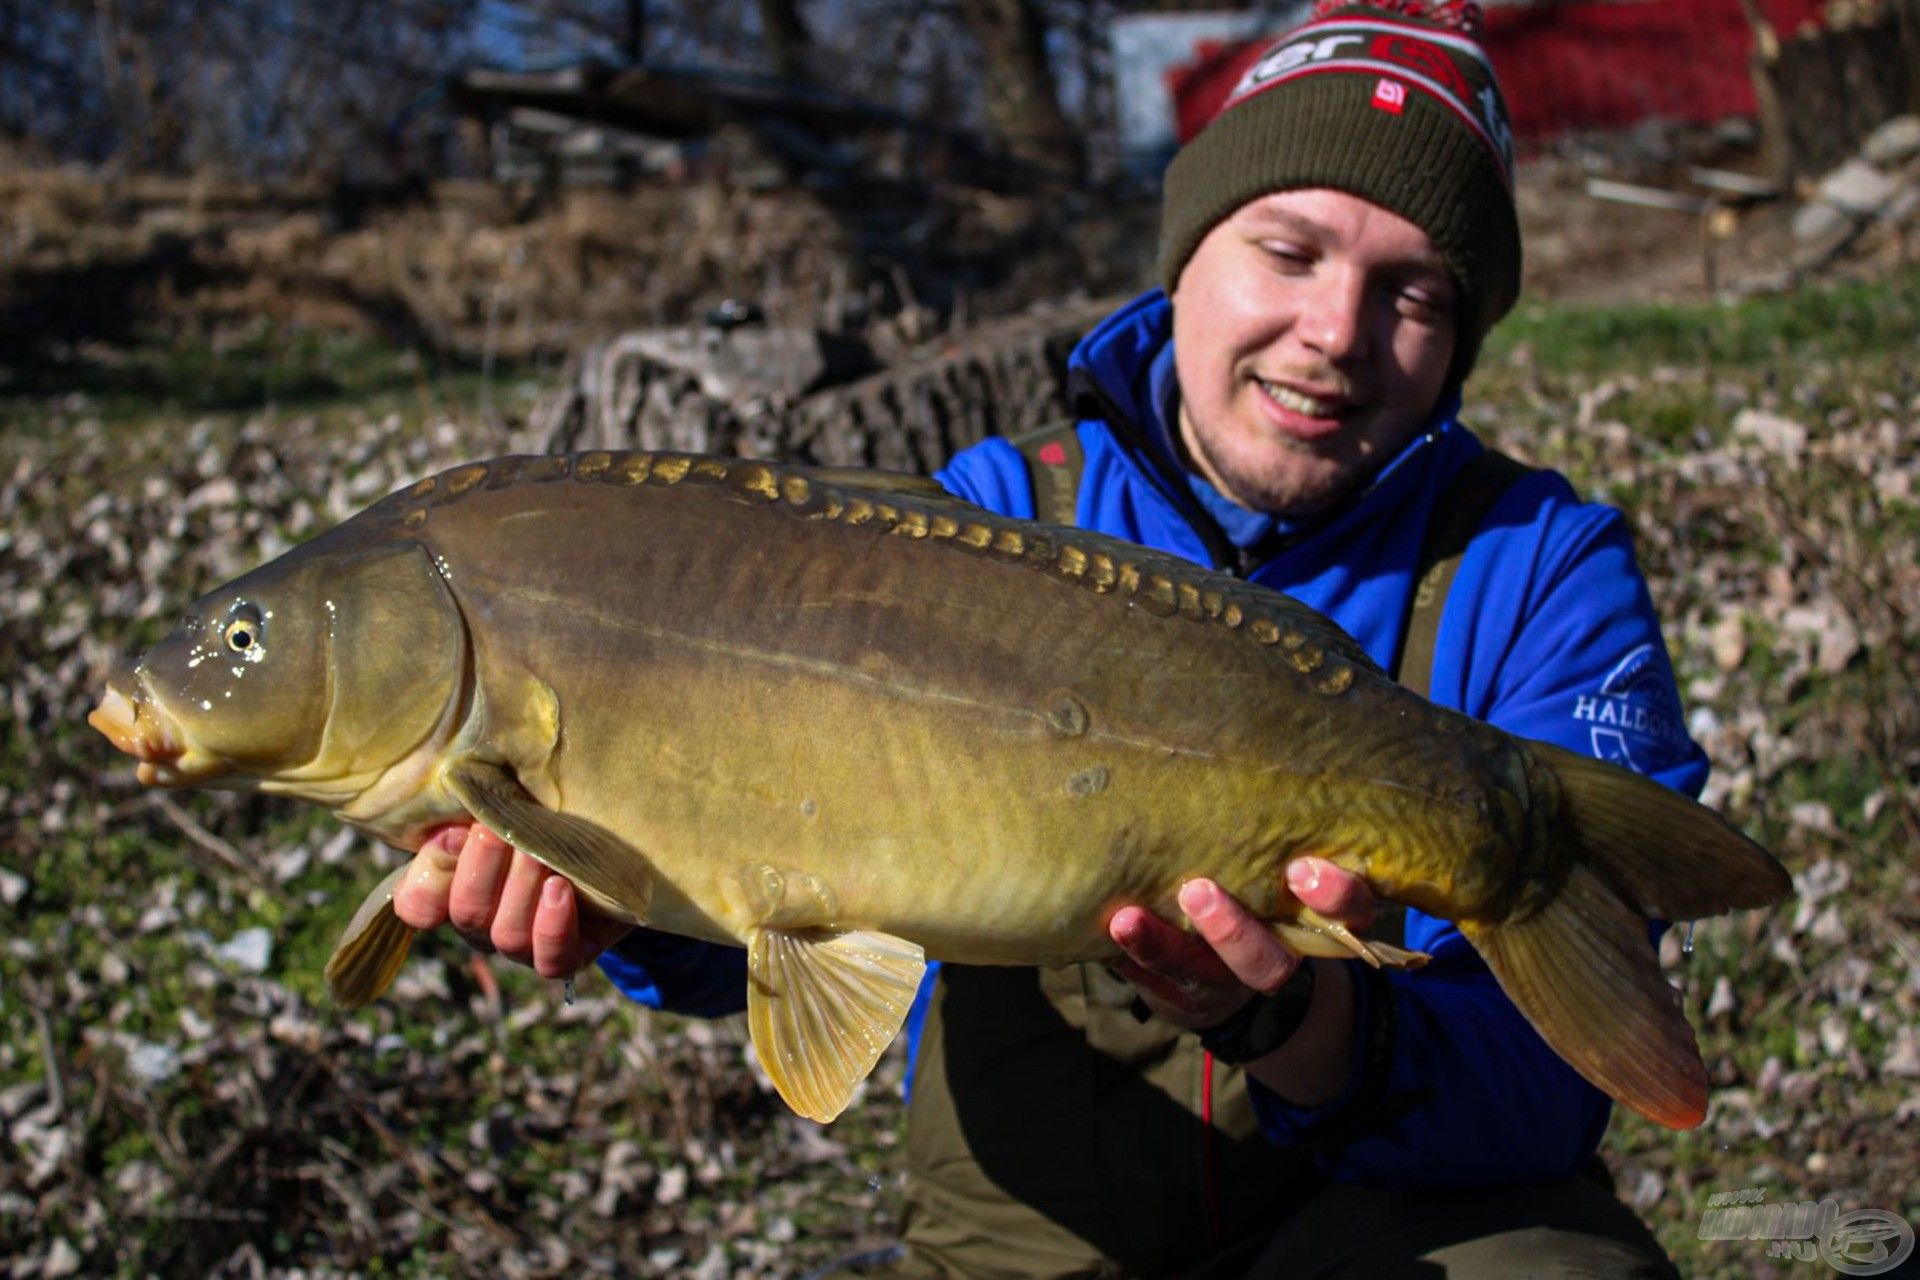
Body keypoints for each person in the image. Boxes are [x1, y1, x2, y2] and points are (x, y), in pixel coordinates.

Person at [393, 2, 1704, 1273]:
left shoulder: (1540, 568)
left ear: (1466, 338)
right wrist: (617, 903)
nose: (1333, 333)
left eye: (1413, 291)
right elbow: (797, 865)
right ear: (1188, 251)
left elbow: (1546, 1104)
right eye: (1290, 254)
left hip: (1392, 1231)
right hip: (1031, 1248)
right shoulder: (996, 516)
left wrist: (1306, 1022)